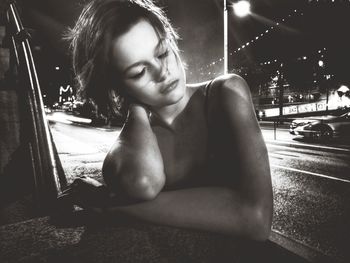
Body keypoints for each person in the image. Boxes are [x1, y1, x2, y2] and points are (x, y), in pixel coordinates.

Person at [63, 0, 273, 241]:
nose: (162, 72)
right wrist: (136, 109)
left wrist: (113, 206)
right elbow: (143, 182)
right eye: (139, 72)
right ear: (117, 85)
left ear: (171, 40)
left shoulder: (227, 93)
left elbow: (256, 218)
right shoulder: (135, 142)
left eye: (162, 52)